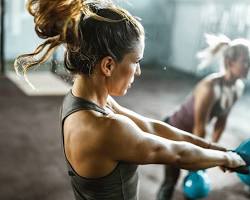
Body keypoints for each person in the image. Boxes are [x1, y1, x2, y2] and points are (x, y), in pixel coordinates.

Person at [14, 1, 248, 200]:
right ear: (108, 65)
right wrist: (230, 159)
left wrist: (216, 149)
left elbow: (151, 127)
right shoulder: (106, 129)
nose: (138, 72)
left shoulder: (83, 100)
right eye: (135, 61)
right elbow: (176, 154)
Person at [157, 34, 250, 200]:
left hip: (194, 133)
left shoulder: (238, 87)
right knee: (170, 180)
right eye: (245, 61)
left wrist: (213, 149)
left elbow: (221, 122)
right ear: (230, 63)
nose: (248, 66)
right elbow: (199, 128)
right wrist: (208, 157)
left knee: (196, 175)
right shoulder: (210, 87)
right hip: (174, 130)